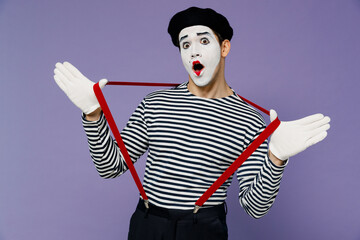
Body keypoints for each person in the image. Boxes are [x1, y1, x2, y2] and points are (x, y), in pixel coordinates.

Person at [53, 6, 330, 240]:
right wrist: (93, 113)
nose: (193, 52)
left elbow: (254, 208)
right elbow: (110, 167)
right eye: (185, 45)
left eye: (203, 41)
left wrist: (276, 157)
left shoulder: (248, 120)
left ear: (224, 47)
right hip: (147, 224)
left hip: (204, 229)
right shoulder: (155, 103)